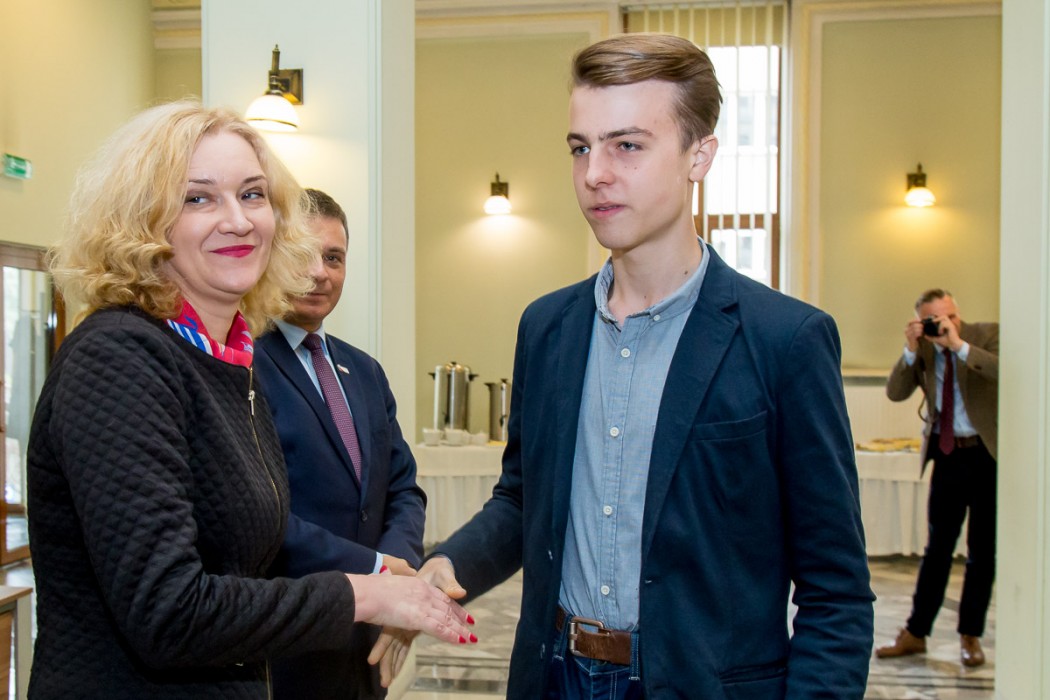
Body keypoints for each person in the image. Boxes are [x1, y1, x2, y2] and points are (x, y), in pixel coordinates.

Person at [372, 33, 873, 699]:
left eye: (627, 146)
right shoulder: (547, 328)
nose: (595, 174)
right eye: (581, 147)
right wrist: (446, 566)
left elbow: (836, 592)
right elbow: (524, 500)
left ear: (699, 156)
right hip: (556, 677)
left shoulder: (786, 340)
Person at [26, 101, 473, 699]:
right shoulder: (119, 355)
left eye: (252, 194)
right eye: (198, 198)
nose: (237, 220)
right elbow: (169, 612)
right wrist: (366, 592)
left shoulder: (228, 360)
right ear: (143, 222)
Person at [254, 188, 426, 699]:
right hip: (289, 636)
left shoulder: (364, 371)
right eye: (302, 256)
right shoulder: (244, 364)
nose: (319, 273)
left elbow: (402, 488)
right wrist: (374, 570)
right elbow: (262, 515)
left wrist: (394, 568)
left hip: (366, 644)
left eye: (333, 258)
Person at [875, 289, 998, 667]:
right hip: (947, 455)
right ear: (920, 321)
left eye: (951, 315)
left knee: (982, 551)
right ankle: (916, 632)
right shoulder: (924, 348)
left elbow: (1002, 371)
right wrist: (911, 350)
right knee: (937, 549)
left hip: (987, 454)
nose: (945, 324)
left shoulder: (986, 334)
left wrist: (958, 345)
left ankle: (971, 635)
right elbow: (895, 393)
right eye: (934, 319)